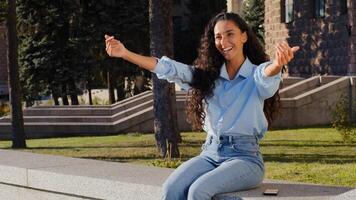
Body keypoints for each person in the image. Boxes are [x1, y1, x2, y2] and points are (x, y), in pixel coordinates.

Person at [105, 12, 299, 200]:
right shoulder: (208, 77)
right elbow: (169, 68)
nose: (223, 42)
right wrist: (125, 53)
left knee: (198, 191)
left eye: (230, 34)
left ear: (244, 36)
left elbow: (266, 75)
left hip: (245, 159)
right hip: (210, 154)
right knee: (171, 189)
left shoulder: (256, 75)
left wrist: (277, 64)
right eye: (218, 37)